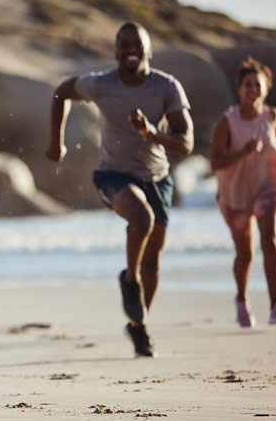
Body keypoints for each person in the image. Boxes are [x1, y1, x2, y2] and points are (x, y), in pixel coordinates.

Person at [46, 22, 194, 357]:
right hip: (113, 175)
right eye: (124, 43)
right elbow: (62, 92)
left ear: (149, 50)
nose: (131, 49)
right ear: (115, 51)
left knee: (154, 257)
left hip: (157, 176)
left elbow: (185, 143)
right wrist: (57, 143)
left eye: (137, 44)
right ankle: (130, 279)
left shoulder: (167, 87)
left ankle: (140, 326)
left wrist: (151, 132)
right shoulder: (101, 84)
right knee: (141, 219)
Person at [209, 57, 276, 328]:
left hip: (268, 186)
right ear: (239, 89)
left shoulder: (273, 116)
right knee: (245, 254)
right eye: (247, 85)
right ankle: (241, 300)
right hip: (236, 192)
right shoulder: (227, 122)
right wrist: (242, 153)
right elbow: (214, 163)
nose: (252, 90)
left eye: (257, 85)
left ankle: (275, 308)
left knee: (270, 239)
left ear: (265, 89)